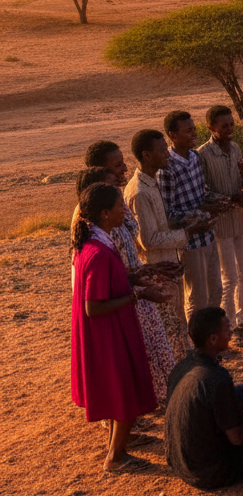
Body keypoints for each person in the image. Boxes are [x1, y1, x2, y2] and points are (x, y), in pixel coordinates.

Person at [70, 182, 162, 474]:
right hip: (109, 333)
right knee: (124, 390)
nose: (125, 209)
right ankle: (116, 457)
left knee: (120, 390)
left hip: (111, 328)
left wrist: (139, 279)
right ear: (105, 213)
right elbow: (93, 307)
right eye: (120, 205)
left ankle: (118, 448)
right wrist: (139, 295)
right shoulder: (98, 254)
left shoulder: (96, 244)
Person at [78, 150, 177, 405]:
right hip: (120, 297)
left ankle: (156, 400)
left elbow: (128, 254)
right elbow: (93, 286)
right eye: (115, 169)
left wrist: (149, 271)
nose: (123, 171)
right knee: (132, 357)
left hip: (133, 288)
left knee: (158, 349)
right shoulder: (94, 237)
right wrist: (138, 287)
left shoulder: (112, 218)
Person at [125, 128, 208, 360]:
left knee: (176, 321)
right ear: (146, 155)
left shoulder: (151, 183)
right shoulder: (139, 191)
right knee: (168, 326)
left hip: (168, 263)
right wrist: (187, 232)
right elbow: (148, 240)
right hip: (156, 268)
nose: (168, 155)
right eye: (162, 151)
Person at [164, 306, 243, 489]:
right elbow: (238, 437)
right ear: (213, 339)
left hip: (179, 462)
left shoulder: (182, 366)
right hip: (209, 473)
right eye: (227, 330)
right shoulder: (217, 379)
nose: (231, 333)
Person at [198, 106, 243, 343]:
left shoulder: (235, 148)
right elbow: (203, 192)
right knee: (229, 278)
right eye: (224, 126)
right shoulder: (202, 155)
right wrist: (230, 199)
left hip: (239, 219)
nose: (229, 129)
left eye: (231, 125)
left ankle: (242, 318)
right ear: (211, 128)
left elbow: (238, 180)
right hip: (220, 224)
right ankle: (231, 328)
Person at [158, 111, 227, 318]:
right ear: (173, 135)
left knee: (216, 291)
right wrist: (201, 214)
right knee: (198, 298)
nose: (193, 134)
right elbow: (169, 214)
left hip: (208, 236)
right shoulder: (167, 168)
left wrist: (218, 201)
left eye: (194, 129)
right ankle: (197, 344)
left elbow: (201, 192)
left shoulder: (195, 157)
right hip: (189, 242)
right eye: (187, 131)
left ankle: (211, 339)